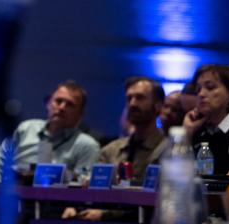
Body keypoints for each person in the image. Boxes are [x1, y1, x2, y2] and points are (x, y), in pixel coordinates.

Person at [66, 77, 166, 221]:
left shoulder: (168, 151)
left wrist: (105, 215)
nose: (132, 104)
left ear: (158, 106)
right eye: (129, 98)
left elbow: (160, 204)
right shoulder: (111, 150)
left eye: (140, 98)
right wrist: (75, 206)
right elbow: (95, 193)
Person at [0, 80, 100, 179]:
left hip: (56, 198)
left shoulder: (87, 146)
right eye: (58, 101)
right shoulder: (26, 128)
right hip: (13, 195)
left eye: (70, 104)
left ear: (80, 114)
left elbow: (83, 184)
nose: (62, 107)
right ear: (48, 104)